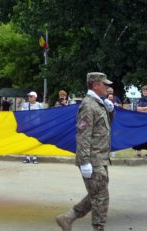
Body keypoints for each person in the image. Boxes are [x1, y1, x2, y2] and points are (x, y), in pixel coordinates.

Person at [56, 72, 113, 231]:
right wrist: (85, 161)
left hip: (100, 158)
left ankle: (67, 218)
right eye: (105, 84)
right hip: (93, 159)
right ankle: (98, 228)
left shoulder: (98, 103)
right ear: (95, 85)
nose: (108, 88)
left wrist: (111, 110)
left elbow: (106, 126)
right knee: (101, 197)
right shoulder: (88, 105)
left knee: (97, 194)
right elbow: (83, 136)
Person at [133, 85, 147, 158]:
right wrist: (146, 108)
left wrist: (142, 109)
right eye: (144, 90)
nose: (145, 92)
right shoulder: (138, 100)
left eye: (146, 90)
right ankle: (138, 152)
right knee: (138, 136)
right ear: (142, 92)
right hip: (139, 121)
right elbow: (136, 108)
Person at [21, 91, 43, 164]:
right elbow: (21, 114)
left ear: (35, 97)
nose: (29, 98)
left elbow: (43, 114)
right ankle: (27, 157)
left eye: (31, 96)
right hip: (27, 126)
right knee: (27, 141)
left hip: (36, 126)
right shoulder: (25, 105)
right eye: (29, 96)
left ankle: (34, 157)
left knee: (35, 141)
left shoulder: (39, 105)